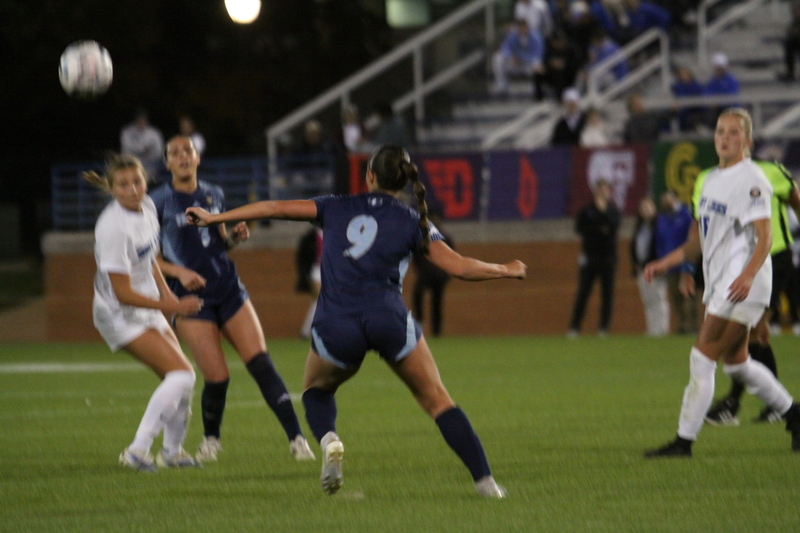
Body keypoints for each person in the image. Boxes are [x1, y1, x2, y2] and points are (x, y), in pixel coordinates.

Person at [186, 143, 527, 498]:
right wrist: (506, 269)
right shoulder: (413, 220)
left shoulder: (335, 206)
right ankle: (487, 483)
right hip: (388, 318)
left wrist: (214, 219)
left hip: (337, 321)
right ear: (405, 182)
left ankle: (330, 440)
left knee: (316, 391)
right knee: (438, 400)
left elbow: (273, 206)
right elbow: (458, 266)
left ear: (370, 176)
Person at [643, 108, 800, 458]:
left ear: (747, 142)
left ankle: (683, 442)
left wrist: (747, 275)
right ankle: (795, 415)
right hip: (721, 284)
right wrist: (667, 262)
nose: (724, 138)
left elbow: (765, 235)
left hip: (744, 285)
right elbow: (697, 239)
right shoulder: (709, 179)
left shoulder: (752, 179)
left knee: (702, 356)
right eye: (720, 131)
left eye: (733, 133)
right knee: (737, 363)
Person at [149, 135, 315, 463]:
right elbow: (147, 257)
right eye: (175, 153)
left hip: (228, 289)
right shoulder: (158, 201)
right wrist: (179, 274)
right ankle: (211, 440)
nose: (183, 156)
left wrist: (234, 239)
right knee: (218, 376)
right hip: (190, 299)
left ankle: (297, 439)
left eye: (188, 151)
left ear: (197, 158)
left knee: (261, 363)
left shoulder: (214, 193)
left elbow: (217, 244)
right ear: (167, 163)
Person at [85, 154, 202, 471]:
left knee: (180, 378)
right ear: (112, 189)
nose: (133, 189)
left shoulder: (148, 207)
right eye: (123, 185)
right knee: (182, 374)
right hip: (117, 312)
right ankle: (136, 452)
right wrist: (173, 305)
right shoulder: (112, 228)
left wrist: (165, 294)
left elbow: (149, 257)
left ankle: (172, 452)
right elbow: (122, 293)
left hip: (147, 301)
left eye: (136, 181)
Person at [701, 156, 800, 425]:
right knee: (753, 339)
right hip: (737, 263)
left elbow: (796, 201)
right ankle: (780, 408)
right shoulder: (712, 178)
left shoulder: (771, 171)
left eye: (736, 134)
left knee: (750, 337)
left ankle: (740, 405)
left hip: (773, 259)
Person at [567, 179, 621, 337]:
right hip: (590, 258)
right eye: (601, 189)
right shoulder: (587, 211)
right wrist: (599, 229)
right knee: (583, 293)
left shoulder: (612, 210)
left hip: (608, 259)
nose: (603, 192)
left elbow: (613, 226)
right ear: (595, 191)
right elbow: (581, 228)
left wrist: (598, 227)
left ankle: (604, 328)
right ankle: (574, 328)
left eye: (606, 189)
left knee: (607, 295)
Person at [655, 190, 698, 334]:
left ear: (675, 199)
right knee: (675, 297)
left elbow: (692, 238)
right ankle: (683, 325)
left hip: (685, 262)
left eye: (668, 199)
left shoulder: (686, 215)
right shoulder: (662, 218)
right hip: (670, 265)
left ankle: (693, 325)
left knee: (689, 295)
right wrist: (663, 261)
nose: (665, 202)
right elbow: (659, 241)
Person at [412, 210, 454, 337]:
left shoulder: (445, 238)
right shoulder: (422, 238)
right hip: (427, 274)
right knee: (419, 295)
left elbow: (453, 259)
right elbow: (416, 257)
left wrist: (446, 275)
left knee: (436, 302)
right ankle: (420, 325)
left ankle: (436, 331)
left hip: (439, 276)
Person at [631, 197, 669, 336]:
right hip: (642, 268)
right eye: (643, 208)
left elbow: (663, 247)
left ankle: (662, 328)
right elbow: (635, 247)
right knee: (648, 300)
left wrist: (662, 264)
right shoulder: (640, 228)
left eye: (648, 207)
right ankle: (653, 329)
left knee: (659, 298)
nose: (645, 211)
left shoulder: (659, 226)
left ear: (654, 209)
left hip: (655, 268)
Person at [491, 18, 545, 96]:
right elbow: (505, 48)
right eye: (520, 27)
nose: (522, 29)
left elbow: (538, 54)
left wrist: (522, 58)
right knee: (498, 57)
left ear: (527, 27)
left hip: (528, 64)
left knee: (538, 63)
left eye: (524, 27)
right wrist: (511, 57)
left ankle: (536, 88)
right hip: (515, 64)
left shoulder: (536, 36)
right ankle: (502, 86)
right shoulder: (512, 35)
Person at [120, 109, 165, 183]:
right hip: (132, 170)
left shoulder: (154, 133)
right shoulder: (127, 132)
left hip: (151, 171)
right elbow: (125, 151)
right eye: (139, 118)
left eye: (143, 118)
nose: (141, 120)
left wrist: (148, 153)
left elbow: (159, 152)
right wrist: (140, 152)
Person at [295, 226, 323, 339]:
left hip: (329, 271)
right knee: (319, 300)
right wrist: (305, 275)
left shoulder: (334, 233)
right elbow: (302, 257)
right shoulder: (310, 237)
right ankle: (306, 331)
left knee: (318, 302)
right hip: (316, 271)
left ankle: (307, 331)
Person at [779, 1, 800, 81]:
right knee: (789, 45)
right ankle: (790, 73)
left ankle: (790, 73)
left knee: (790, 44)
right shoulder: (795, 21)